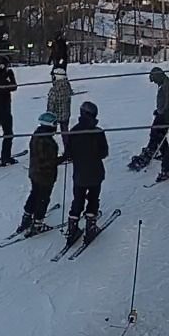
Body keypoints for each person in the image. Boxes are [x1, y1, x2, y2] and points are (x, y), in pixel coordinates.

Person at [66, 101, 109, 245]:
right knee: (93, 198)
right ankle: (90, 227)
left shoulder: (73, 131)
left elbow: (69, 153)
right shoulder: (98, 132)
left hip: (79, 173)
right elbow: (104, 153)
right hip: (95, 173)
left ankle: (72, 228)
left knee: (78, 199)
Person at [15, 112, 61, 236]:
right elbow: (48, 162)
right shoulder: (47, 142)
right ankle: (37, 224)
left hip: (35, 172)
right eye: (55, 124)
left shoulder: (37, 135)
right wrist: (62, 159)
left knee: (35, 193)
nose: (56, 126)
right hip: (45, 175)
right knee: (43, 198)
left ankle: (27, 217)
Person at [129, 66, 169, 171]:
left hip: (166, 115)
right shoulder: (163, 83)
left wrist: (163, 112)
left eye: (155, 80)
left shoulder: (167, 85)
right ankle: (163, 152)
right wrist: (158, 110)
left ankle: (154, 150)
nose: (154, 82)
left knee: (157, 133)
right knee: (158, 133)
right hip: (162, 113)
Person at [45, 66, 73, 161]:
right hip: (66, 114)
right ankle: (69, 153)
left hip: (55, 116)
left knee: (48, 135)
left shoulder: (54, 89)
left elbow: (51, 104)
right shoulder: (67, 86)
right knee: (65, 134)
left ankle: (48, 153)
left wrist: (49, 115)